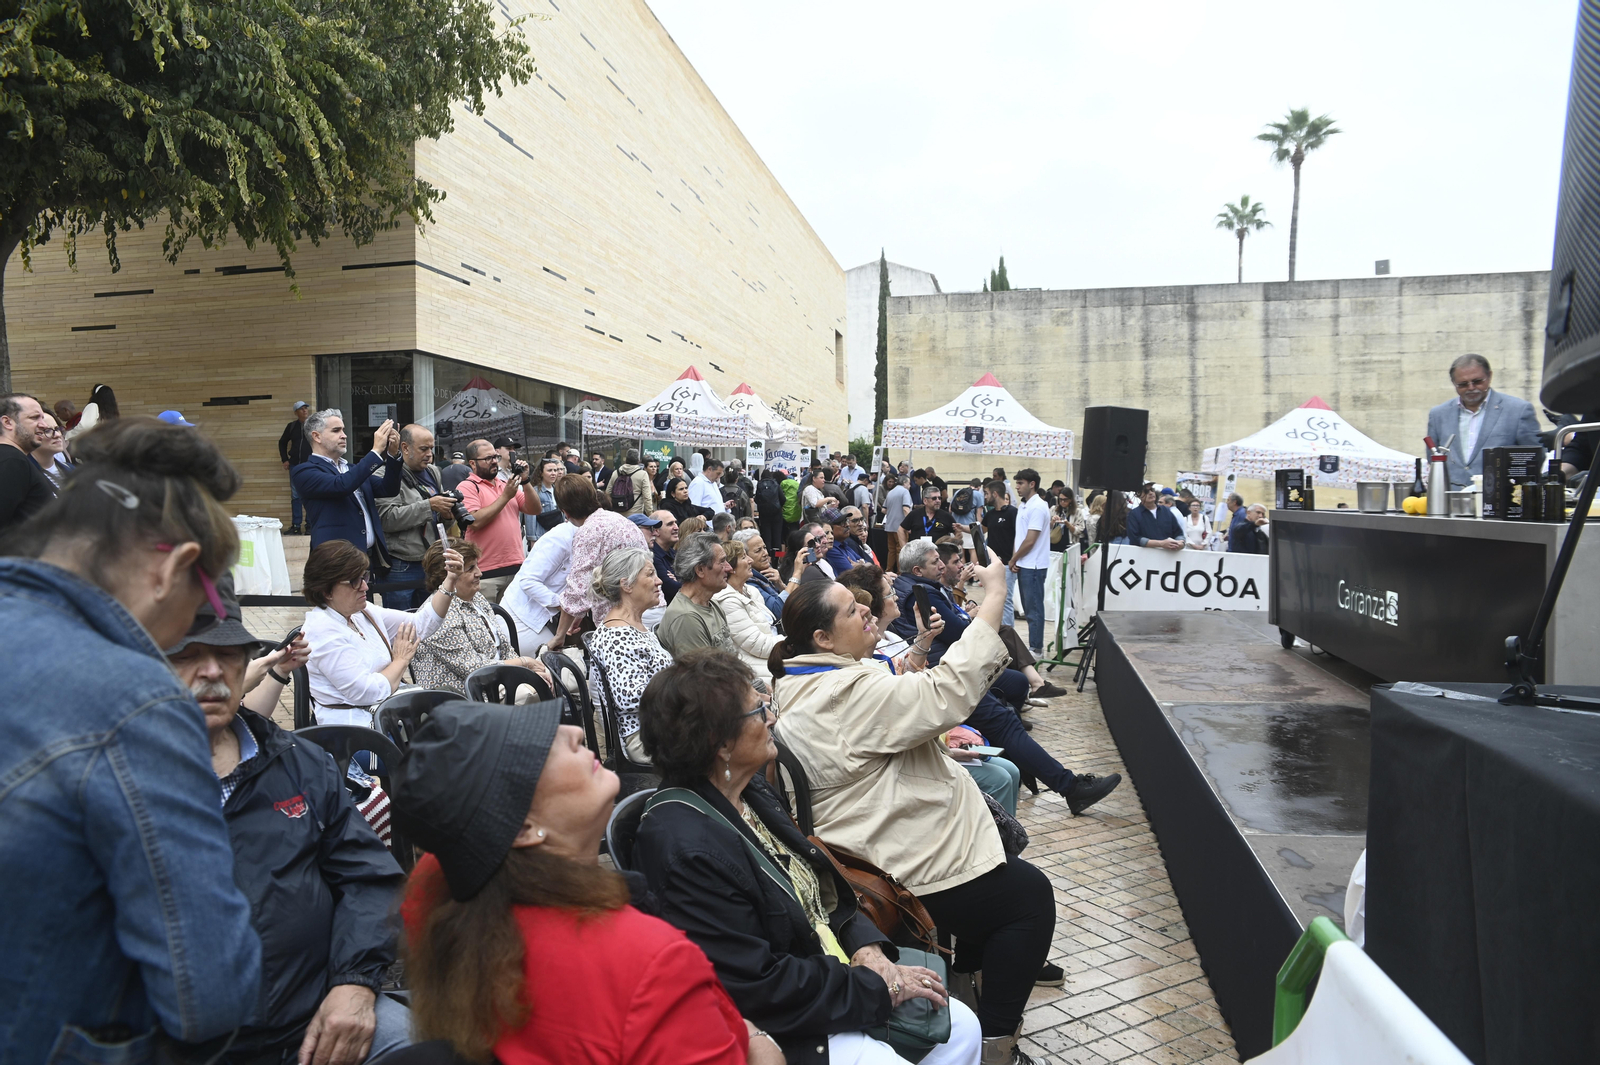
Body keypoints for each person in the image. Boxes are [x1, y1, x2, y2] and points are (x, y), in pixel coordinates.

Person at [0, 416, 262, 1061]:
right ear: (173, 567)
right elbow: (210, 991)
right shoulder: (136, 701)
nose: (199, 627)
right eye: (206, 603)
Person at [634, 652, 981, 1065]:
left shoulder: (750, 793)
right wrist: (878, 987)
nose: (771, 718)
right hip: (783, 1023)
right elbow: (757, 985)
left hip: (825, 973)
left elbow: (822, 887)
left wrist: (867, 948)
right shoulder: (687, 847)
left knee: (961, 1028)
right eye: (758, 710)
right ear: (720, 743)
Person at [770, 568, 1058, 1065]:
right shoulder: (842, 691)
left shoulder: (808, 681)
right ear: (822, 638)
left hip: (879, 841)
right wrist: (995, 594)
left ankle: (972, 990)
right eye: (851, 609)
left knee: (996, 853)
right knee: (1029, 898)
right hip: (888, 866)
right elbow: (948, 691)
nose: (865, 608)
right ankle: (995, 1047)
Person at [393, 701, 753, 1065]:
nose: (574, 731)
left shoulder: (446, 895)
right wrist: (760, 1042)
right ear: (522, 829)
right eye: (538, 746)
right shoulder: (650, 962)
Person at [165, 579, 411, 1065]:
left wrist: (354, 985)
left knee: (421, 1046)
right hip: (183, 1045)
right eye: (185, 655)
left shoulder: (301, 763)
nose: (211, 670)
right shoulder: (107, 782)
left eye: (227, 653)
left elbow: (369, 880)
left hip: (317, 1012)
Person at [300, 538, 464, 725]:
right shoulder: (321, 630)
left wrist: (450, 580)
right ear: (326, 591)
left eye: (364, 577)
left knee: (458, 714)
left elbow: (420, 625)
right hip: (356, 728)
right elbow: (366, 692)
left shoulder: (362, 612)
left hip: (388, 714)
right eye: (354, 581)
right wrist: (401, 660)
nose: (365, 586)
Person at [410, 540, 552, 696]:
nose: (479, 573)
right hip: (464, 700)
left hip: (496, 686)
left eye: (477, 565)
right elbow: (474, 669)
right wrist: (524, 664)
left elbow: (505, 649)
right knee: (540, 691)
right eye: (470, 568)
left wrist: (529, 672)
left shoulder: (476, 598)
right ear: (448, 574)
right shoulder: (438, 616)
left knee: (553, 677)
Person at [586, 547, 673, 764]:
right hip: (644, 737)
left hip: (661, 726)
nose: (659, 581)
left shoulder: (632, 625)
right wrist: (683, 689)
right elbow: (629, 697)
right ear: (626, 585)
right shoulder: (618, 635)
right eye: (650, 574)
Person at [291, 409, 405, 568]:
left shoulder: (351, 469)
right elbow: (341, 485)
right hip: (336, 562)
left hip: (368, 559)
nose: (344, 435)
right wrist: (376, 451)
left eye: (343, 430)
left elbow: (388, 489)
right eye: (336, 430)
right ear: (317, 436)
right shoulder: (304, 471)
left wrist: (393, 454)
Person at [1426, 353, 1544, 488]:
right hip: (1451, 497)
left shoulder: (1518, 410)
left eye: (1477, 381)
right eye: (1463, 384)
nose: (1471, 388)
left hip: (1499, 496)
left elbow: (1535, 458)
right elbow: (1433, 459)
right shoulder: (1438, 414)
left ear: (1489, 376)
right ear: (1454, 383)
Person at [555, 474, 651, 639]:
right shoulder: (620, 520)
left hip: (623, 621)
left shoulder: (588, 531)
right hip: (649, 607)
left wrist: (559, 635)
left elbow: (577, 589)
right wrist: (579, 614)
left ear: (565, 512)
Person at [373, 424, 454, 611]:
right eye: (423, 449)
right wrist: (429, 505)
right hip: (401, 565)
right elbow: (387, 519)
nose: (429, 455)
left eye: (431, 449)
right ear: (405, 448)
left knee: (430, 619)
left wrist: (447, 514)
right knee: (402, 622)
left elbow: (438, 518)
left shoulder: (433, 471)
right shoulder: (384, 474)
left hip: (431, 561)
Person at [500, 482, 584, 653]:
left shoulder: (586, 538)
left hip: (545, 619)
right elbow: (528, 581)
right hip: (522, 618)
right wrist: (565, 606)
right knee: (554, 662)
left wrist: (575, 613)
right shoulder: (560, 538)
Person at [458, 438, 539, 604]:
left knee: (512, 619)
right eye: (488, 458)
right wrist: (505, 497)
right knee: (487, 618)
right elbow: (475, 522)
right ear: (473, 463)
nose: (494, 461)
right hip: (485, 572)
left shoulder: (504, 484)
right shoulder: (467, 486)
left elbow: (535, 509)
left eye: (495, 457)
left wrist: (525, 480)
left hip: (515, 567)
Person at [656, 532, 738, 658]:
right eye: (722, 562)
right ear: (700, 570)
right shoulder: (686, 617)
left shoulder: (712, 604)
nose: (729, 568)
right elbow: (703, 670)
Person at [713, 538, 783, 677]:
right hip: (755, 668)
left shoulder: (751, 591)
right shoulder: (727, 602)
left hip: (774, 654)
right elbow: (759, 645)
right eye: (744, 557)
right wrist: (793, 643)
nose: (750, 560)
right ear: (731, 567)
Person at [1009, 470, 1053, 656]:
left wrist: (1014, 558)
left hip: (1033, 565)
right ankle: (1034, 645)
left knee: (1034, 609)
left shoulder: (1038, 507)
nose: (1017, 487)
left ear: (1032, 484)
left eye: (1020, 483)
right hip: (1024, 563)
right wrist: (1015, 557)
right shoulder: (1024, 505)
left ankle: (1036, 648)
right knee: (1028, 608)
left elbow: (1030, 540)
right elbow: (1019, 536)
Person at [0, 392, 54, 533]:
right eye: (34, 417)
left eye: (43, 418)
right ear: (7, 422)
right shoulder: (11, 461)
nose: (44, 425)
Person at [982, 480, 1019, 628]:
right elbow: (981, 530)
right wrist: (961, 527)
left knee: (1006, 599)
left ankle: (1007, 632)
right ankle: (995, 629)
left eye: (987, 493)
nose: (985, 497)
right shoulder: (990, 514)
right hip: (992, 564)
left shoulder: (1012, 513)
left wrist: (1014, 559)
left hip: (1007, 564)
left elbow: (1019, 537)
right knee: (992, 597)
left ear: (995, 494)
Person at [731, 529, 787, 616]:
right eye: (758, 550)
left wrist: (780, 584)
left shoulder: (768, 570)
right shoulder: (748, 582)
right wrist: (797, 575)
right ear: (745, 556)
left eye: (764, 548)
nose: (765, 553)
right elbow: (777, 611)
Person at [278, 400, 313, 533]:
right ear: (296, 412)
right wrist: (285, 460)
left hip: (310, 465)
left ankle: (310, 525)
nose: (305, 410)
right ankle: (296, 526)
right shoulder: (291, 427)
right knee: (296, 495)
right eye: (301, 409)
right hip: (295, 465)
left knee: (310, 494)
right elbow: (282, 442)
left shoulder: (313, 426)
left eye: (306, 408)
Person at [1126, 481, 1185, 550]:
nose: (1150, 493)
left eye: (1152, 490)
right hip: (1145, 554)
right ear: (1139, 495)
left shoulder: (1166, 510)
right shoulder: (1134, 514)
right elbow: (1135, 538)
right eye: (1146, 491)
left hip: (1168, 554)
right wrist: (1161, 544)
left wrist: (1181, 543)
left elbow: (1178, 533)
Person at [647, 508, 683, 606]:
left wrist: (679, 581)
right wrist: (681, 582)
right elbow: (672, 588)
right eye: (670, 524)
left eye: (676, 523)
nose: (676, 527)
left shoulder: (674, 553)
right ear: (656, 531)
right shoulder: (652, 557)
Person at [606, 447, 657, 516]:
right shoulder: (642, 474)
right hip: (635, 514)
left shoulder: (616, 473)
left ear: (626, 460)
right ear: (638, 461)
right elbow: (647, 497)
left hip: (617, 514)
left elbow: (608, 493)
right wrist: (650, 514)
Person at [30, 410, 72, 491]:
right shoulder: (23, 476)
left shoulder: (71, 469)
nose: (57, 435)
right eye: (47, 431)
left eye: (57, 429)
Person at [822, 507, 871, 572]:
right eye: (841, 523)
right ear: (831, 528)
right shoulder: (831, 549)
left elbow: (870, 564)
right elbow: (853, 573)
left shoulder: (844, 544)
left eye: (846, 521)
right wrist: (863, 565)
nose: (847, 525)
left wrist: (861, 566)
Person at [880, 471, 912, 570]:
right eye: (909, 483)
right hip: (901, 526)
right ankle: (900, 571)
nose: (910, 486)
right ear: (904, 483)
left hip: (889, 526)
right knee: (900, 549)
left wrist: (893, 512)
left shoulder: (890, 492)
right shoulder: (905, 492)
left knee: (891, 550)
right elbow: (905, 509)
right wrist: (910, 524)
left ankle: (889, 569)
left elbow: (883, 510)